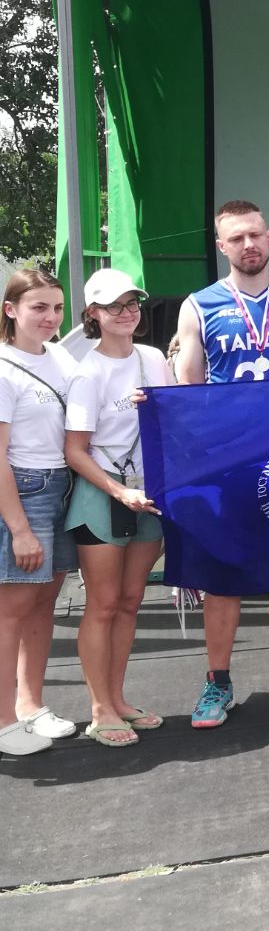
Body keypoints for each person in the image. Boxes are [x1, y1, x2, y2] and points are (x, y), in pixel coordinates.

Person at [174, 201, 269, 727]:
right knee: (223, 574)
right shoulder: (199, 305)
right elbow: (188, 391)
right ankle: (217, 681)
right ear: (222, 246)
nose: (249, 245)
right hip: (228, 462)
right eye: (237, 238)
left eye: (256, 235)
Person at [64, 268, 172, 747]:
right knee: (104, 604)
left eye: (132, 303)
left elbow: (175, 418)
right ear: (93, 314)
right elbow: (75, 451)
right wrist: (117, 491)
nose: (126, 313)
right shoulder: (87, 372)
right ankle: (100, 709)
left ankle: (119, 699)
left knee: (130, 601)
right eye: (114, 306)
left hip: (148, 495)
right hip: (104, 495)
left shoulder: (154, 358)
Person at [0, 269, 79, 756]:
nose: (51, 317)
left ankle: (29, 705)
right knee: (11, 611)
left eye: (57, 307)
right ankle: (4, 722)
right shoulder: (3, 368)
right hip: (25, 491)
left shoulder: (59, 356)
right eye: (39, 308)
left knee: (43, 603)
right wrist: (19, 528)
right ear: (11, 310)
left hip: (62, 486)